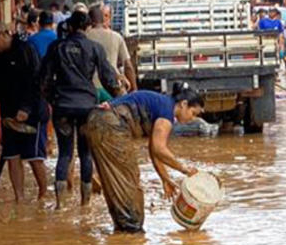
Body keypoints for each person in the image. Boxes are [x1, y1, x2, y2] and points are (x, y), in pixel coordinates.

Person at [84, 85, 204, 233]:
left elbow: (154, 149)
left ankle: (121, 233)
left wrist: (164, 178)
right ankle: (131, 235)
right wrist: (184, 169)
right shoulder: (167, 113)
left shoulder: (162, 103)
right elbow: (159, 149)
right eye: (193, 113)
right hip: (110, 125)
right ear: (184, 104)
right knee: (128, 184)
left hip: (97, 120)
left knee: (117, 183)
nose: (193, 119)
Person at [41, 11, 122, 207]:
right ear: (87, 27)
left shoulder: (56, 47)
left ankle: (60, 204)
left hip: (63, 106)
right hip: (87, 107)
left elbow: (43, 80)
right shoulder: (95, 48)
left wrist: (53, 99)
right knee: (85, 153)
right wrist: (120, 100)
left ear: (69, 26)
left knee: (65, 153)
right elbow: (108, 78)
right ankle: (85, 204)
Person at [0, 21, 49, 201]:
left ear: (4, 34)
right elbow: (4, 87)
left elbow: (36, 82)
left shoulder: (26, 49)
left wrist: (26, 109)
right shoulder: (1, 57)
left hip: (33, 113)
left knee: (35, 157)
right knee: (12, 156)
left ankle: (42, 195)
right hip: (10, 115)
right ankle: (19, 198)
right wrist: (5, 115)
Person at [87, 3, 136, 93]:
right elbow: (128, 66)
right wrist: (134, 90)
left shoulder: (84, 37)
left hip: (89, 88)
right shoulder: (116, 37)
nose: (105, 19)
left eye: (107, 16)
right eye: (104, 16)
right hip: (112, 88)